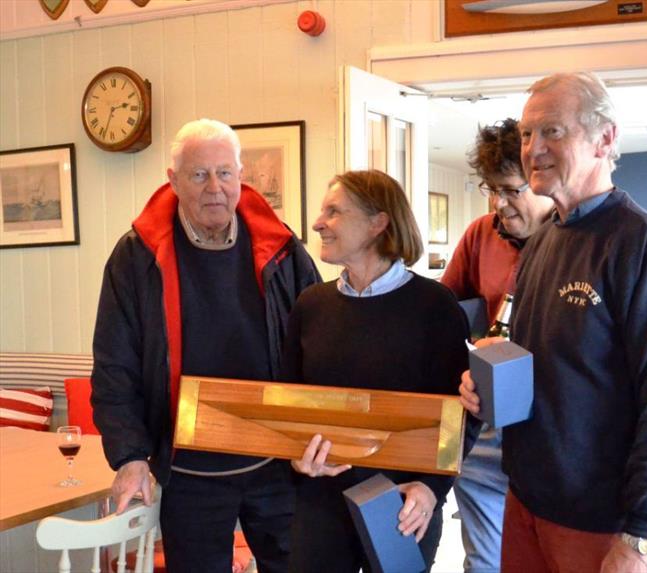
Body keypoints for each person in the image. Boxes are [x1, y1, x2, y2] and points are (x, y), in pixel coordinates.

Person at [459, 72, 647, 573]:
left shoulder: (645, 247)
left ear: (606, 138)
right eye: (528, 134)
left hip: (600, 523)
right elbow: (540, 367)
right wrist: (485, 385)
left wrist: (639, 536)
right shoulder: (545, 239)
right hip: (526, 501)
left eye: (553, 131)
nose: (534, 148)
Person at [91, 118, 320, 573]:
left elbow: (319, 343)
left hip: (278, 462)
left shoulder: (282, 247)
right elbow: (115, 366)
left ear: (241, 176)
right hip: (189, 472)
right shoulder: (136, 256)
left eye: (225, 173)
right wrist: (131, 455)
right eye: (199, 175)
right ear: (173, 181)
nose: (215, 187)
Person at [281, 170, 478, 573]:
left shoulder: (435, 307)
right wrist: (296, 458)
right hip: (320, 504)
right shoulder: (310, 306)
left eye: (333, 212)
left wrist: (432, 489)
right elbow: (288, 404)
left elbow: (462, 415)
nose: (318, 223)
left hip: (404, 503)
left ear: (378, 223)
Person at [440, 118, 552, 572]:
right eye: (491, 190)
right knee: (483, 563)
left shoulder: (575, 243)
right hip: (484, 430)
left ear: (541, 181)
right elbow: (446, 316)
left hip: (548, 435)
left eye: (510, 190)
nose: (498, 204)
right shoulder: (480, 234)